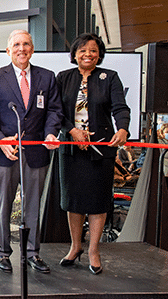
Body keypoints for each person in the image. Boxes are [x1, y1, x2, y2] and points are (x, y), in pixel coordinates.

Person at [0, 29, 62, 274]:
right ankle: (2, 252)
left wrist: (51, 133)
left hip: (37, 153)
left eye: (26, 44)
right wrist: (0, 141)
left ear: (32, 49)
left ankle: (32, 252)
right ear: (8, 50)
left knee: (33, 206)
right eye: (16, 44)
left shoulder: (47, 77)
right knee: (2, 205)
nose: (22, 48)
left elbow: (54, 111)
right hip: (5, 154)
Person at [57, 33, 130, 275]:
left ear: (99, 54)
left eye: (93, 50)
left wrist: (122, 128)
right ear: (75, 54)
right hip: (71, 149)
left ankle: (93, 250)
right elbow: (56, 112)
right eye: (83, 50)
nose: (88, 54)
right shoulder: (63, 78)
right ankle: (76, 247)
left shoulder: (109, 77)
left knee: (98, 201)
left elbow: (120, 107)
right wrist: (72, 131)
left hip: (101, 149)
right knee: (74, 201)